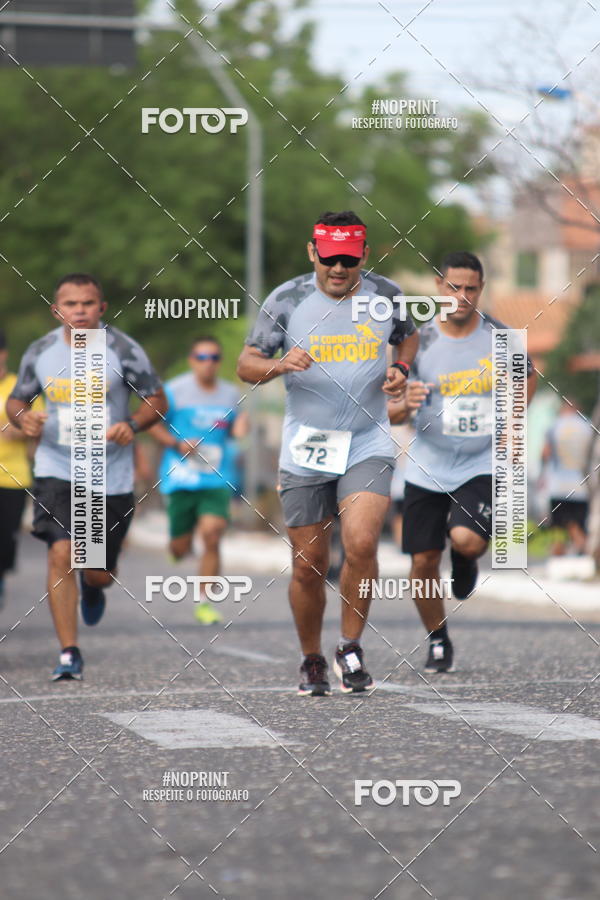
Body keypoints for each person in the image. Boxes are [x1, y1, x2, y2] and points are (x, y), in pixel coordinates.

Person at [237, 210, 418, 696]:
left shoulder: (386, 296)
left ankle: (350, 645)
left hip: (368, 439)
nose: (339, 269)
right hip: (307, 445)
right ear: (312, 252)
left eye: (349, 260)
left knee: (360, 543)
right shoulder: (287, 299)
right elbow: (245, 364)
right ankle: (312, 658)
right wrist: (278, 364)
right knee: (308, 563)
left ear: (365, 255)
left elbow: (409, 336)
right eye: (330, 259)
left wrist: (401, 366)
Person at [7, 273, 166, 680]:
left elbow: (157, 398)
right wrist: (25, 420)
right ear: (56, 309)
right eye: (71, 304)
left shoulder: (123, 349)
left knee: (96, 570)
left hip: (108, 475)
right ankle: (69, 653)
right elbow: (17, 399)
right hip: (56, 468)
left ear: (101, 308)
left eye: (87, 304)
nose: (79, 311)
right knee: (62, 551)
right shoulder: (41, 351)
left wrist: (132, 422)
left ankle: (94, 586)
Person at [389, 251, 537, 673]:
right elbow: (391, 409)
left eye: (471, 288)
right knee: (421, 561)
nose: (463, 296)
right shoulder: (418, 341)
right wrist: (404, 404)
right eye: (454, 287)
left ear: (482, 289)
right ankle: (437, 639)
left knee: (467, 539)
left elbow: (526, 377)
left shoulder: (500, 336)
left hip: (481, 460)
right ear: (439, 286)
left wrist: (512, 421)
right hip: (427, 462)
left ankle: (466, 557)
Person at [149, 336, 248, 625]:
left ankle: (205, 602)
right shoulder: (174, 391)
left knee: (213, 533)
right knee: (180, 547)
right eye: (202, 357)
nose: (208, 363)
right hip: (180, 478)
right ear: (192, 360)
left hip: (217, 477)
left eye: (214, 358)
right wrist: (177, 444)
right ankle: (178, 547)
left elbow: (236, 426)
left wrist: (241, 427)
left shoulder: (230, 394)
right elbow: (151, 424)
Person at [0, 331, 43, 607]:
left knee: (4, 538)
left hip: (13, 476)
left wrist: (17, 431)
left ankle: (1, 573)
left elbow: (38, 424)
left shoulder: (21, 388)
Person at [541, 399, 594, 556]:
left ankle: (563, 555)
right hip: (582, 485)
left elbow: (545, 453)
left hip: (558, 485)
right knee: (578, 523)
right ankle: (583, 552)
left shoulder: (555, 425)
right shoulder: (588, 425)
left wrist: (542, 474)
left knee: (559, 525)